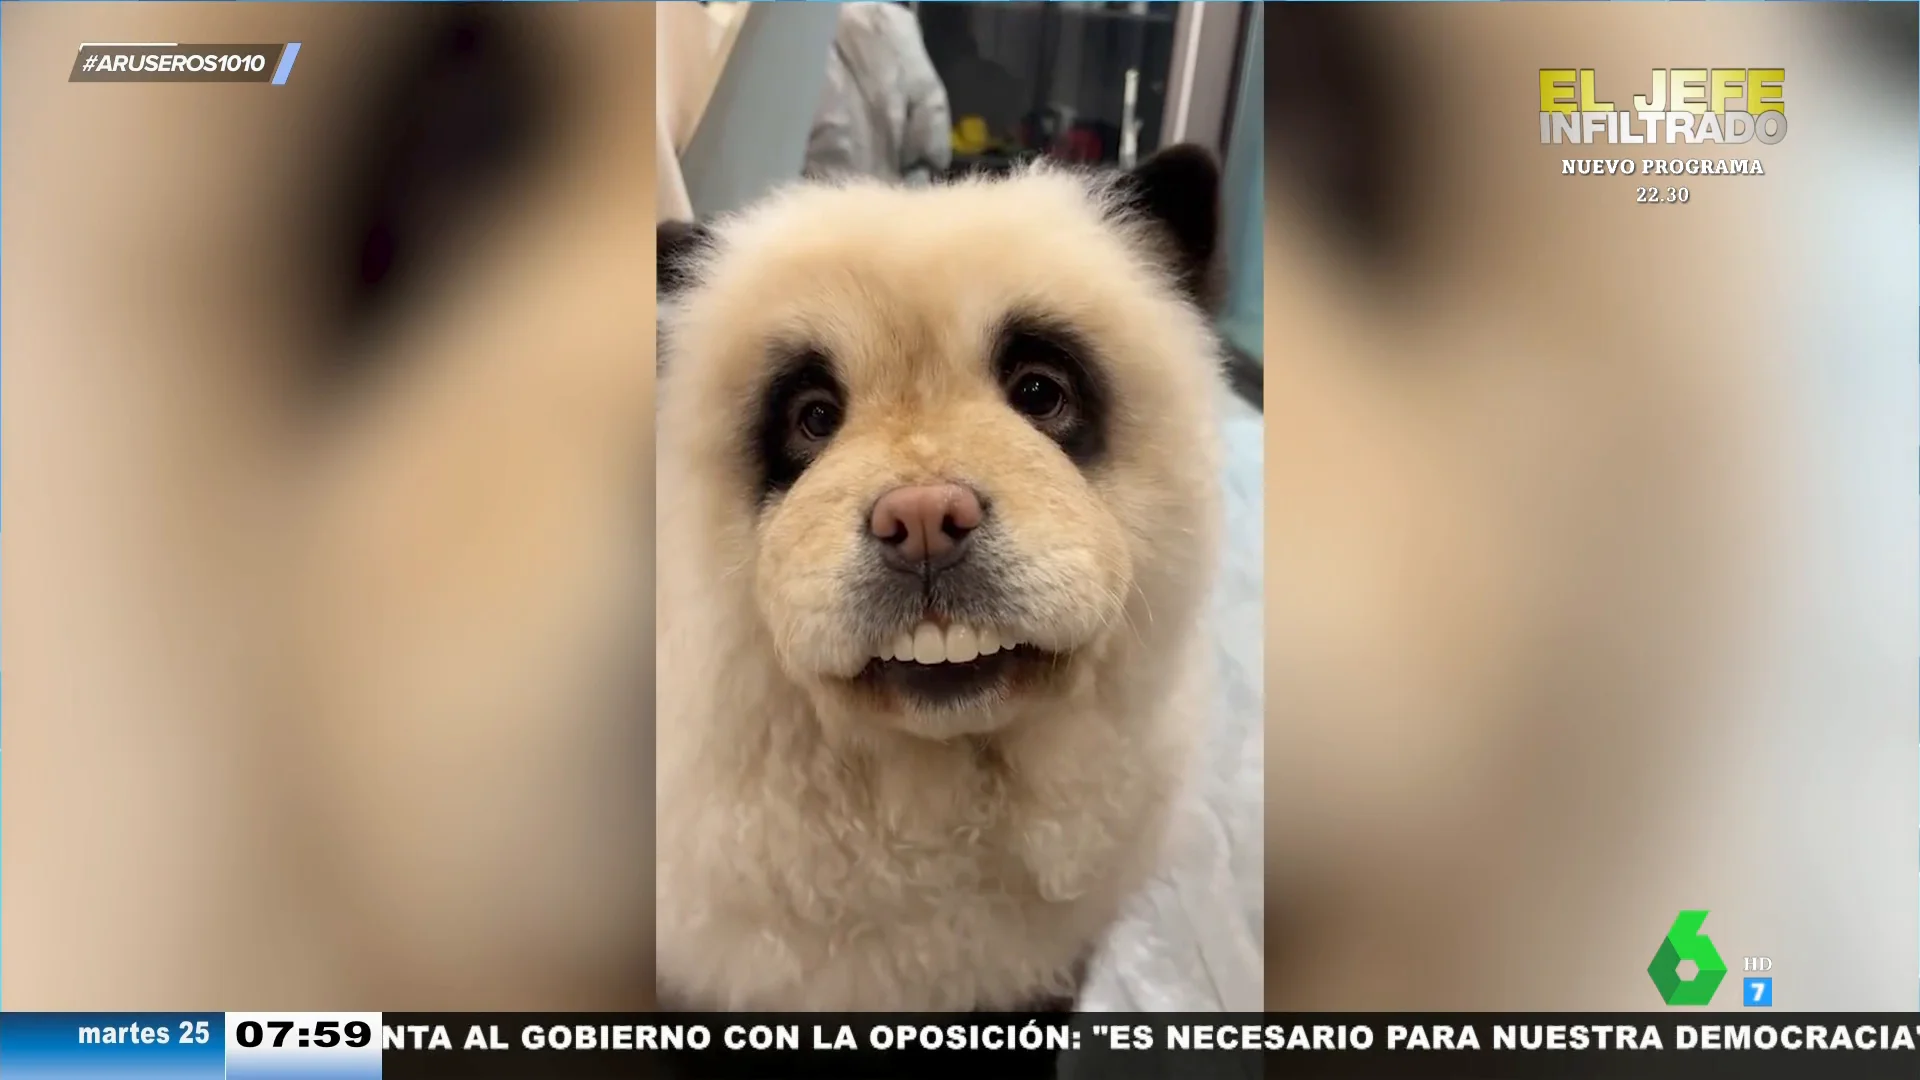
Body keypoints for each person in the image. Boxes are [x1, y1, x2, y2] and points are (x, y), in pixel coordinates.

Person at [806, 2, 952, 185]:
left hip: (818, 202)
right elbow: (932, 139)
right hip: (893, 201)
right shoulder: (894, 23)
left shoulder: (785, 36)